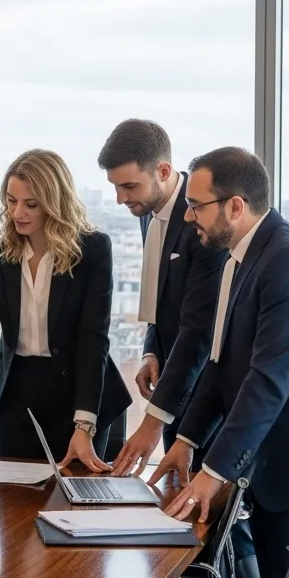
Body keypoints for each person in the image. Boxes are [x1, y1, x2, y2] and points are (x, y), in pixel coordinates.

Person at [154, 147, 289, 578]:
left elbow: (267, 381)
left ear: (235, 206)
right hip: (276, 461)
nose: (187, 216)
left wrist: (213, 474)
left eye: (196, 206)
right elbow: (220, 363)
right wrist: (186, 440)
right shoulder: (243, 255)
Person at [0, 149, 128, 470]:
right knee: (9, 490)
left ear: (55, 203)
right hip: (14, 390)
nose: (17, 212)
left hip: (78, 391)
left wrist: (84, 425)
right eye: (11, 201)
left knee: (75, 492)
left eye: (31, 204)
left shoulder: (93, 249)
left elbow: (93, 340)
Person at [100, 120, 227, 479]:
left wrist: (153, 420)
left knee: (210, 508)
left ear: (164, 171)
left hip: (208, 400)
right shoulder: (148, 210)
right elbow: (161, 296)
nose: (121, 198)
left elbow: (199, 330)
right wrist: (151, 351)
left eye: (129, 186)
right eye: (115, 187)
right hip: (173, 389)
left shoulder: (202, 219)